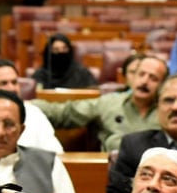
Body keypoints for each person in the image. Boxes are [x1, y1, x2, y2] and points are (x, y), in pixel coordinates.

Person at [32, 56, 168, 151]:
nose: (144, 81)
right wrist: (23, 106)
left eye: (153, 78)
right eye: (141, 74)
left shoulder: (170, 111)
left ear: (163, 85)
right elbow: (65, 113)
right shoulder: (109, 102)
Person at [0, 58, 63, 153]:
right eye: (3, 83)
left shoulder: (33, 112)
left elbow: (55, 154)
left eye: (14, 82)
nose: (12, 88)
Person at [33, 33, 97, 89]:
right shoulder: (40, 75)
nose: (61, 52)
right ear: (48, 53)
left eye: (64, 49)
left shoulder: (82, 73)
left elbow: (93, 92)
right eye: (56, 50)